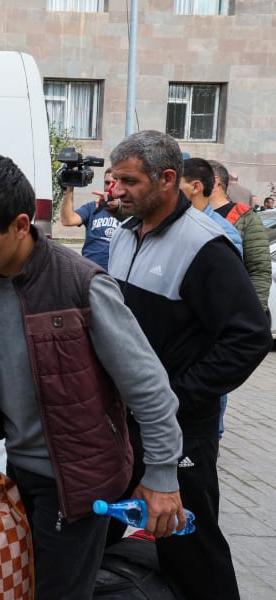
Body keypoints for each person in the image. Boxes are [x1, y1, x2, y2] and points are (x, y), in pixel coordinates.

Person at [0, 153, 185, 600]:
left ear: (21, 225)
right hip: (14, 467)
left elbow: (151, 390)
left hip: (78, 481)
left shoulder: (83, 286)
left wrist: (162, 476)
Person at [107, 130, 271, 600]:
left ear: (169, 179)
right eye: (114, 179)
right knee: (96, 532)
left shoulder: (206, 245)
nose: (116, 190)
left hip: (179, 428)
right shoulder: (124, 235)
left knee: (191, 547)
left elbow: (250, 337)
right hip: (123, 422)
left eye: (129, 181)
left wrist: (176, 395)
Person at [209, 161, 271, 310]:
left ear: (215, 181)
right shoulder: (190, 215)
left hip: (232, 308)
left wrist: (254, 314)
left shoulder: (245, 217)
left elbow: (259, 270)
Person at [58, 168, 125, 269]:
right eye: (107, 183)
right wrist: (70, 187)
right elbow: (68, 220)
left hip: (118, 272)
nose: (110, 187)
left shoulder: (130, 211)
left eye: (114, 183)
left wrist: (119, 206)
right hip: (91, 271)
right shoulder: (93, 207)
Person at [179, 157, 243, 255]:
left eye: (176, 185)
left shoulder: (223, 233)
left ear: (195, 187)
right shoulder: (171, 222)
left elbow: (228, 269)